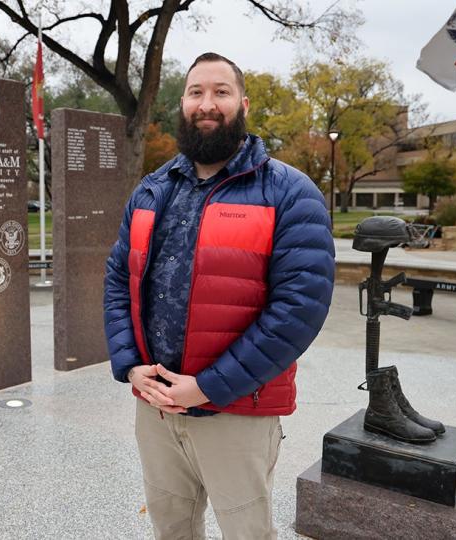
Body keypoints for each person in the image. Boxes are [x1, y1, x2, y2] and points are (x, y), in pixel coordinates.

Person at [103, 52, 335, 539]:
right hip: (156, 405)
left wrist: (208, 386)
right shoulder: (151, 190)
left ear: (242, 103)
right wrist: (130, 365)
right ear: (182, 104)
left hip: (237, 412)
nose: (207, 104)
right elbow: (117, 280)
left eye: (221, 92)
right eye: (196, 92)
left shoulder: (290, 193)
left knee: (245, 532)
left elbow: (298, 312)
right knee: (172, 529)